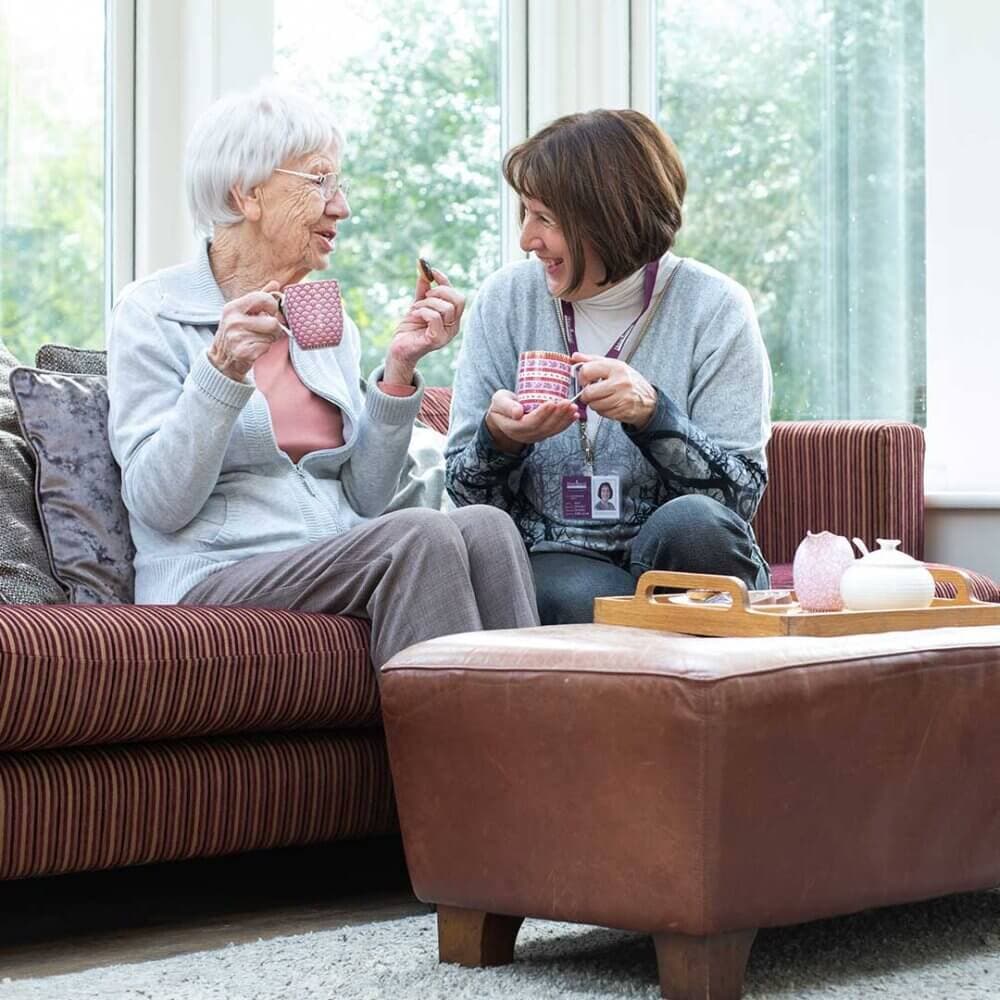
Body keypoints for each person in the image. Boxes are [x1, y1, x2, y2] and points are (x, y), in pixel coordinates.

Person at [107, 84, 538, 670]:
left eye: (339, 185)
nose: (341, 207)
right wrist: (222, 369)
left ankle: (535, 754)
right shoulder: (153, 313)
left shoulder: (322, 318)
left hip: (325, 557)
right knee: (422, 535)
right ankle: (462, 761)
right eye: (319, 181)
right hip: (213, 573)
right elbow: (158, 504)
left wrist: (400, 369)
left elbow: (367, 495)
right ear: (247, 193)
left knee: (486, 528)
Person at [445, 109, 772, 625]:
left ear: (608, 218)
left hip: (680, 556)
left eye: (545, 219)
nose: (527, 239)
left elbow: (737, 501)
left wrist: (652, 415)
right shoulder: (506, 301)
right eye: (524, 214)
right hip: (558, 557)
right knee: (573, 597)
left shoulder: (715, 307)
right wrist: (500, 440)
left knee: (697, 527)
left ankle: (695, 685)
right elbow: (465, 496)